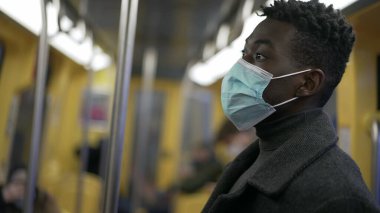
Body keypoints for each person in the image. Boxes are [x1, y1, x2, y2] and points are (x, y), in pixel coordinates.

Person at [202, 0, 380, 213]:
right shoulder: (258, 155)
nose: (240, 67)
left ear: (307, 83)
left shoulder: (336, 195)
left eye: (259, 56)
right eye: (244, 53)